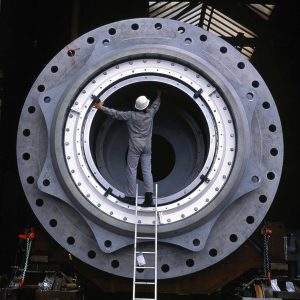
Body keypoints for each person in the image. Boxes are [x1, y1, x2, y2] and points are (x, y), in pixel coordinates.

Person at [94, 89, 161, 207]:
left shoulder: (130, 115)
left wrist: (101, 107)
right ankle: (149, 198)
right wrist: (159, 95)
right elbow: (156, 104)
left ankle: (130, 197)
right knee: (147, 171)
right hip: (147, 145)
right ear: (146, 105)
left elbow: (115, 113)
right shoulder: (150, 113)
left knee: (132, 169)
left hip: (135, 146)